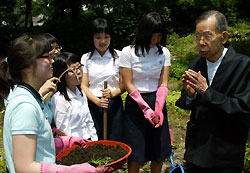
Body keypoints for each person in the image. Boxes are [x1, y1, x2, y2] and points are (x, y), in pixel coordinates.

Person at [0, 33, 104, 172]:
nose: (53, 61)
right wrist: (74, 170)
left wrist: (65, 142)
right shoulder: (25, 107)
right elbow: (24, 168)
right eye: (47, 56)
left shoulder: (31, 97)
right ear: (28, 65)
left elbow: (38, 144)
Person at [175, 10, 250, 173]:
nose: (201, 42)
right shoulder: (196, 64)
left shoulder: (243, 65)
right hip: (196, 151)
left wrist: (206, 91)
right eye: (197, 36)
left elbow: (242, 108)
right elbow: (188, 102)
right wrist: (190, 95)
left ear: (223, 37)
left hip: (225, 155)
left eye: (207, 36)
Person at [119, 12, 172, 173]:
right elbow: (128, 83)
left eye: (158, 36)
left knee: (158, 149)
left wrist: (158, 109)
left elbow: (163, 83)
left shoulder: (164, 52)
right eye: (151, 36)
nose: (154, 40)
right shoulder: (128, 52)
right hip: (136, 104)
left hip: (157, 101)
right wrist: (145, 109)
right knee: (136, 150)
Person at [81, 18, 124, 141]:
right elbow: (83, 86)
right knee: (96, 140)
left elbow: (124, 84)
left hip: (114, 104)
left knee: (115, 140)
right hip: (93, 104)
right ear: (92, 38)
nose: (103, 41)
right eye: (98, 37)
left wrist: (112, 94)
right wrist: (97, 102)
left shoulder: (119, 56)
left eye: (106, 36)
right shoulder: (86, 58)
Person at [50, 52, 98, 141]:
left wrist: (95, 141)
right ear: (62, 74)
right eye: (73, 70)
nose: (78, 72)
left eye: (79, 67)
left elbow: (89, 121)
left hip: (88, 139)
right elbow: (64, 129)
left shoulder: (81, 93)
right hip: (73, 144)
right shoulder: (59, 99)